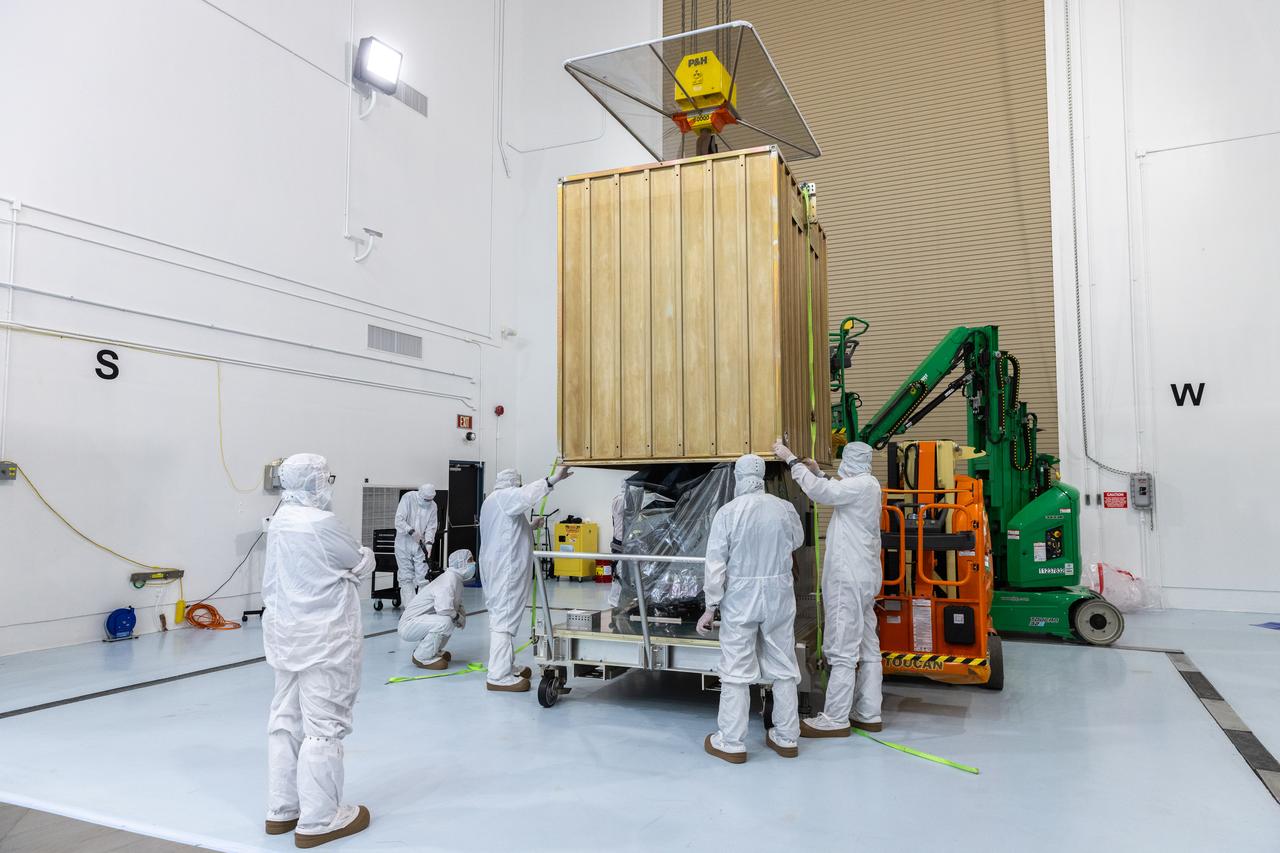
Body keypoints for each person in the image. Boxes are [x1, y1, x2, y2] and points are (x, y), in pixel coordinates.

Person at [262, 453, 375, 848]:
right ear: (314, 481)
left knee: (285, 720)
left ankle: (281, 810)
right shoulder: (321, 523)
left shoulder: (280, 522)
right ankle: (320, 818)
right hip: (324, 639)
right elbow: (359, 562)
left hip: (285, 637)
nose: (328, 483)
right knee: (323, 727)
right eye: (325, 477)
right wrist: (362, 559)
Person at [696, 454, 805, 763]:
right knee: (783, 666)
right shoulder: (784, 508)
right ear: (764, 477)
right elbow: (797, 540)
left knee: (736, 668)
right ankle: (786, 738)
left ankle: (731, 742)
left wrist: (710, 607)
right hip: (778, 594)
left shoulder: (728, 513)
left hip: (741, 597)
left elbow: (715, 563)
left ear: (737, 477)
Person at [772, 437, 884, 737]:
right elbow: (835, 490)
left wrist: (792, 461)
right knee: (867, 647)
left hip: (847, 580)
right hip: (864, 578)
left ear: (850, 462)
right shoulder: (868, 484)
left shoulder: (860, 487)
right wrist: (817, 471)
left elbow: (824, 493)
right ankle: (869, 712)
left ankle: (835, 718)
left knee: (842, 650)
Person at [479, 465, 573, 691]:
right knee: (504, 619)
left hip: (497, 567)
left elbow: (507, 531)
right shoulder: (505, 497)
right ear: (513, 484)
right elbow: (525, 495)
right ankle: (498, 676)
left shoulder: (493, 501)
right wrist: (552, 480)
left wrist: (530, 526)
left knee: (503, 616)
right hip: (506, 570)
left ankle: (506, 665)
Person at [398, 549, 475, 669]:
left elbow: (454, 604)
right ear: (461, 563)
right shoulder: (448, 580)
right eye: (470, 560)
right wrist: (458, 617)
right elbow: (444, 609)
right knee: (446, 621)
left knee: (450, 620)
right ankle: (421, 656)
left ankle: (434, 651)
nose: (473, 563)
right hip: (409, 625)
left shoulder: (456, 579)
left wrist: (460, 613)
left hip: (420, 621)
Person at [394, 484, 438, 609]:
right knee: (406, 577)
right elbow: (399, 520)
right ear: (420, 495)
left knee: (423, 577)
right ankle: (410, 611)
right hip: (404, 543)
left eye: (430, 500)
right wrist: (411, 531)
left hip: (420, 544)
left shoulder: (433, 506)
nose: (428, 502)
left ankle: (422, 609)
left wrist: (429, 543)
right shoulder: (408, 498)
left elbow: (431, 526)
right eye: (426, 500)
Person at [607, 480, 628, 608]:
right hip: (620, 542)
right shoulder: (621, 500)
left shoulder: (622, 498)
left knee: (625, 572)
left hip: (626, 540)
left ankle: (622, 600)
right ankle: (614, 601)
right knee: (619, 572)